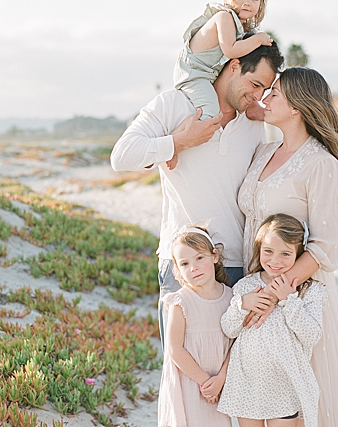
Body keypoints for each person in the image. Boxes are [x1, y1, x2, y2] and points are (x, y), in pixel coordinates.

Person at [111, 43, 283, 348]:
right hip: (184, 263)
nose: (258, 95)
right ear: (233, 66)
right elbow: (121, 156)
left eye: (265, 89)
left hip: (236, 265)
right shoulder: (173, 105)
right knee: (180, 370)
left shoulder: (253, 124)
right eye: (255, 84)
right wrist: (178, 141)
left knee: (229, 378)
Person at [236, 67, 338, 426]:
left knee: (303, 397)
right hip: (255, 287)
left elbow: (324, 249)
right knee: (259, 397)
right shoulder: (263, 152)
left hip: (297, 296)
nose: (266, 98)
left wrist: (275, 294)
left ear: (297, 106)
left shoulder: (321, 164)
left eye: (274, 93)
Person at [219, 214, 325, 427]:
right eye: (268, 251)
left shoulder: (309, 291)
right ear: (258, 250)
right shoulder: (245, 286)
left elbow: (312, 336)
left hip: (283, 384)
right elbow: (229, 330)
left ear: (298, 255)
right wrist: (242, 305)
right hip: (246, 383)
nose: (275, 261)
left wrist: (289, 300)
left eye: (285, 254)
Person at [157, 224, 233, 427]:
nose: (194, 267)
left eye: (200, 258)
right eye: (184, 263)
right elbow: (174, 349)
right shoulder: (180, 301)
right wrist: (204, 382)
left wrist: (219, 380)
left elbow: (235, 345)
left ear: (214, 256)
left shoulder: (231, 298)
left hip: (221, 383)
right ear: (178, 270)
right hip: (190, 383)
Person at [177, 0, 274, 121]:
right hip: (194, 74)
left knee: (243, 82)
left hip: (208, 73)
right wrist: (258, 40)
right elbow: (230, 50)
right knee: (211, 113)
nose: (246, 2)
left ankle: (253, 108)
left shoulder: (240, 26)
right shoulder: (224, 17)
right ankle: (182, 135)